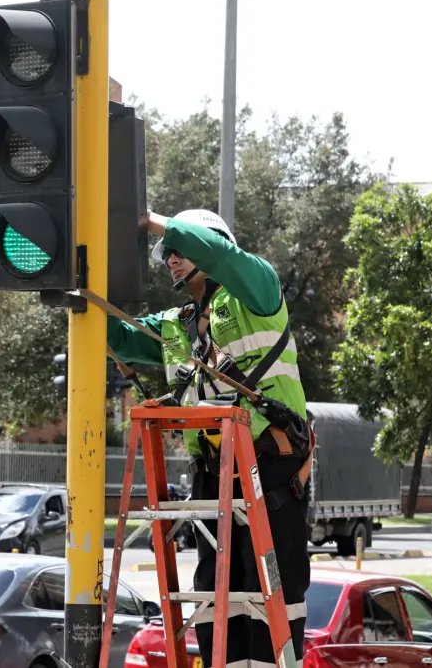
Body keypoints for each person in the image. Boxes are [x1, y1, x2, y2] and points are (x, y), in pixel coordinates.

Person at [107, 209, 312, 668]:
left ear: (213, 247)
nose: (171, 259)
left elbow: (224, 257)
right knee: (212, 588)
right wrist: (64, 279)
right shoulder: (177, 325)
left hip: (272, 468)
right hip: (213, 474)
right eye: (167, 254)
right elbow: (117, 334)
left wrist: (149, 220)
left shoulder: (258, 292)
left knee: (273, 588)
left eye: (182, 250)